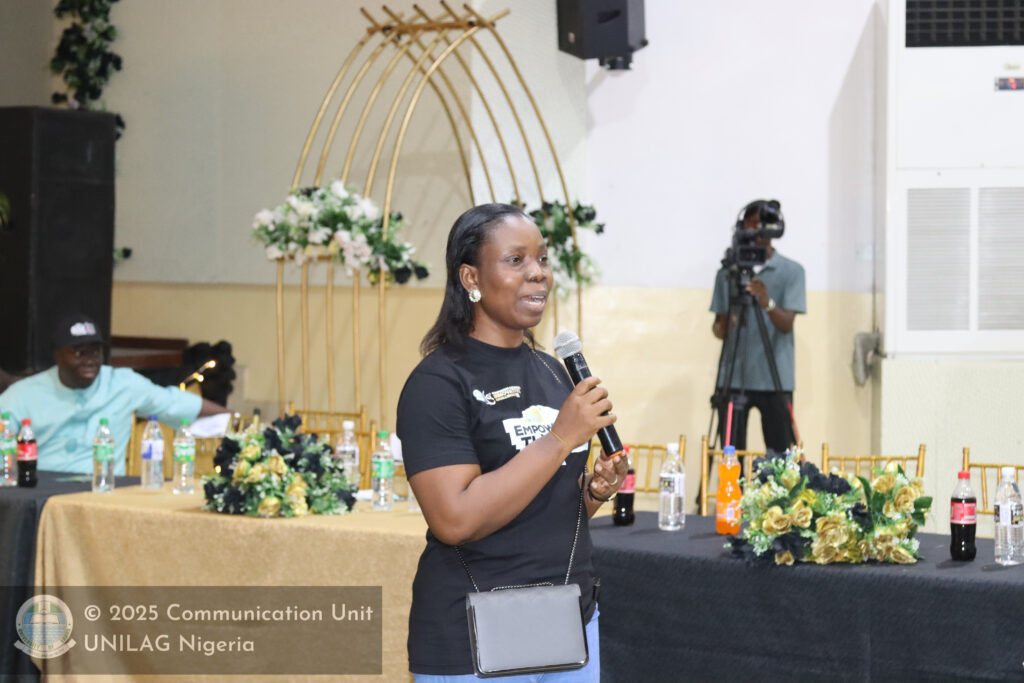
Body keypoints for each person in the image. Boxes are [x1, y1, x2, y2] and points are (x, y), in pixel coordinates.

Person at [396, 203, 627, 681]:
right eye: (516, 260)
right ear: (471, 277)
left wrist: (594, 491)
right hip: (477, 633)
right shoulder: (438, 383)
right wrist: (560, 438)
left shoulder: (552, 371)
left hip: (568, 621)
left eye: (542, 259)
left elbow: (542, 505)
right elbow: (455, 520)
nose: (537, 273)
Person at [0, 313, 226, 474]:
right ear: (57, 355)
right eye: (79, 352)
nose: (90, 360)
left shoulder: (123, 384)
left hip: (104, 490)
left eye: (96, 352)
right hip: (43, 496)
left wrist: (233, 419)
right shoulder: (24, 394)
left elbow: (176, 403)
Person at [710, 201, 806, 452]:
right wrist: (728, 320)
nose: (757, 228)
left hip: (775, 380)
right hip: (733, 377)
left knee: (780, 458)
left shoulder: (792, 271)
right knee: (731, 455)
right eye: (752, 222)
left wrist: (767, 301)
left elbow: (786, 325)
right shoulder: (728, 273)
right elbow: (718, 329)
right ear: (742, 226)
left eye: (763, 223)